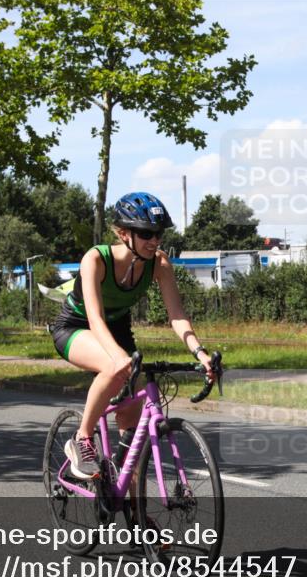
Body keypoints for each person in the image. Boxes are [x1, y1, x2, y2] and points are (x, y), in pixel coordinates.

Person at [51, 192, 214, 479]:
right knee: (115, 367)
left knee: (133, 426)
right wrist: (118, 357)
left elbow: (176, 316)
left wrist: (199, 353)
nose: (154, 241)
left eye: (158, 234)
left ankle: (134, 511)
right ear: (124, 233)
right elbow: (95, 318)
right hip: (76, 327)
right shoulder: (96, 259)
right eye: (146, 233)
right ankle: (82, 439)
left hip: (118, 329)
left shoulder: (159, 264)